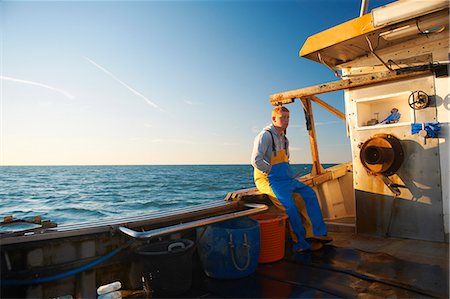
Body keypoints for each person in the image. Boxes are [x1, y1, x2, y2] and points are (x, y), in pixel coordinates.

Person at [251, 106, 331, 252]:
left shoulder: (285, 139)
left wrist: (285, 173)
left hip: (285, 178)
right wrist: (271, 171)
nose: (286, 121)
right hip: (268, 179)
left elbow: (286, 160)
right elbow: (256, 160)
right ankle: (300, 242)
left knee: (309, 194)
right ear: (274, 119)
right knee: (290, 206)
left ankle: (316, 234)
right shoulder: (265, 136)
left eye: (288, 117)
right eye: (283, 117)